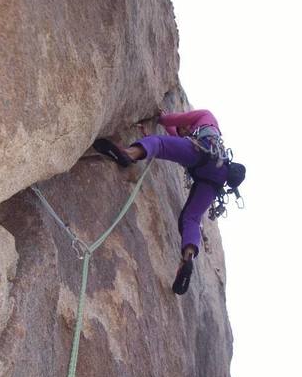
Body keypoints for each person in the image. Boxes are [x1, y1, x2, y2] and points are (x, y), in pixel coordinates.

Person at [93, 109, 245, 295]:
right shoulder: (213, 139)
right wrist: (174, 130)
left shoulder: (206, 116)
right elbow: (178, 143)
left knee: (158, 143)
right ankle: (187, 257)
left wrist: (161, 116)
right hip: (213, 180)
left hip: (201, 155)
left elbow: (170, 123)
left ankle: (129, 154)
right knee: (192, 218)